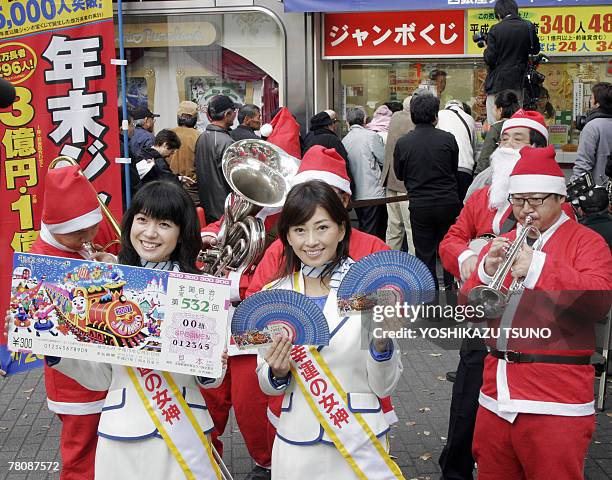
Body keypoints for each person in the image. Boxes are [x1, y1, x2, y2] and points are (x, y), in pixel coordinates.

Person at [47, 181, 228, 480]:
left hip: (185, 428)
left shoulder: (201, 291)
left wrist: (211, 364)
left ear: (182, 232)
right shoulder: (105, 285)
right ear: (130, 223)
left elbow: (210, 379)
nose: (150, 233)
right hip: (121, 434)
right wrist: (54, 349)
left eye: (164, 224)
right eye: (142, 220)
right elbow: (102, 376)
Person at [463, 146, 612, 479]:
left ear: (560, 199)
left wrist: (538, 267)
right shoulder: (502, 241)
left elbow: (598, 301)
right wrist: (485, 270)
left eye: (535, 200)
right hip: (495, 396)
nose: (524, 211)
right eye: (517, 200)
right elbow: (470, 312)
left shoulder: (586, 243)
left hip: (555, 401)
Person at [256, 180, 403, 480]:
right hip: (297, 444)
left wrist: (380, 344)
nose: (311, 241)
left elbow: (384, 386)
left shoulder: (371, 292)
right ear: (287, 237)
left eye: (322, 227)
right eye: (299, 230)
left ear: (342, 229)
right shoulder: (273, 296)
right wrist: (277, 373)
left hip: (359, 439)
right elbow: (265, 382)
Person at [29, 165, 119, 480]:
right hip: (74, 383)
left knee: (102, 451)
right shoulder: (42, 261)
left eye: (90, 230)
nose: (87, 238)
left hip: (100, 369)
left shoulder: (70, 246)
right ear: (53, 226)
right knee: (81, 457)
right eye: (77, 232)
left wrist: (106, 264)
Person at [394, 93, 461, 290]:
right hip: (447, 201)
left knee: (424, 254)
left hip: (420, 203)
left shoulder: (404, 143)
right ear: (435, 116)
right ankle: (452, 295)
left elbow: (399, 174)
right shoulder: (448, 139)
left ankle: (429, 304)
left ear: (413, 116)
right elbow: (453, 168)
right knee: (449, 249)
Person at [465, 109, 548, 201]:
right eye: (504, 139)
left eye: (517, 139)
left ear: (538, 147)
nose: (508, 144)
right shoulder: (485, 178)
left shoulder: (549, 184)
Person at [381, 90, 428, 253]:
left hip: (390, 181)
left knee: (393, 228)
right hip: (406, 185)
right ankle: (413, 265)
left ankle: (388, 261)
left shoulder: (395, 117)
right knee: (411, 229)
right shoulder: (413, 122)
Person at [483, 0, 540, 125]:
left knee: (495, 118)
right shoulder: (528, 26)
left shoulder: (496, 29)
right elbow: (535, 50)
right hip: (518, 81)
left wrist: (485, 48)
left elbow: (490, 59)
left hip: (498, 83)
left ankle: (497, 140)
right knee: (515, 117)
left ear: (499, 13)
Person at [342, 107, 387, 240]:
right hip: (372, 191)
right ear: (364, 120)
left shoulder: (344, 140)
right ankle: (370, 258)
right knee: (373, 231)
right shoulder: (371, 136)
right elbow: (383, 159)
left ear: (347, 122)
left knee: (364, 227)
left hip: (355, 193)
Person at [195, 94, 241, 224]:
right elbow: (234, 180)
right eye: (234, 112)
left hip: (207, 206)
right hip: (222, 209)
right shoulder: (226, 141)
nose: (235, 115)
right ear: (227, 114)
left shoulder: (203, 137)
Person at [572, 82, 612, 185]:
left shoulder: (592, 127)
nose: (590, 101)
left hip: (599, 191)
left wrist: (574, 189)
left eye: (591, 98)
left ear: (597, 103)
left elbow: (583, 164)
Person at [437, 100, 477, 202]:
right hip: (466, 168)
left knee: (446, 203)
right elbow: (474, 147)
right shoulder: (470, 119)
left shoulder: (439, 115)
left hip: (445, 167)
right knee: (462, 205)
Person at [473, 90, 520, 176]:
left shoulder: (497, 128)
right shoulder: (522, 127)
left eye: (493, 108)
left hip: (499, 178)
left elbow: (485, 159)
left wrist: (477, 178)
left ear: (500, 110)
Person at [302, 110, 352, 188]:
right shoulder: (333, 140)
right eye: (333, 123)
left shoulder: (307, 138)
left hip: (309, 184)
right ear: (329, 125)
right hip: (329, 185)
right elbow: (344, 165)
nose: (335, 127)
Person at [169, 100, 201, 205]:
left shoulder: (168, 134)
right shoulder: (199, 136)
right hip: (192, 191)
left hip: (170, 186)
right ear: (195, 118)